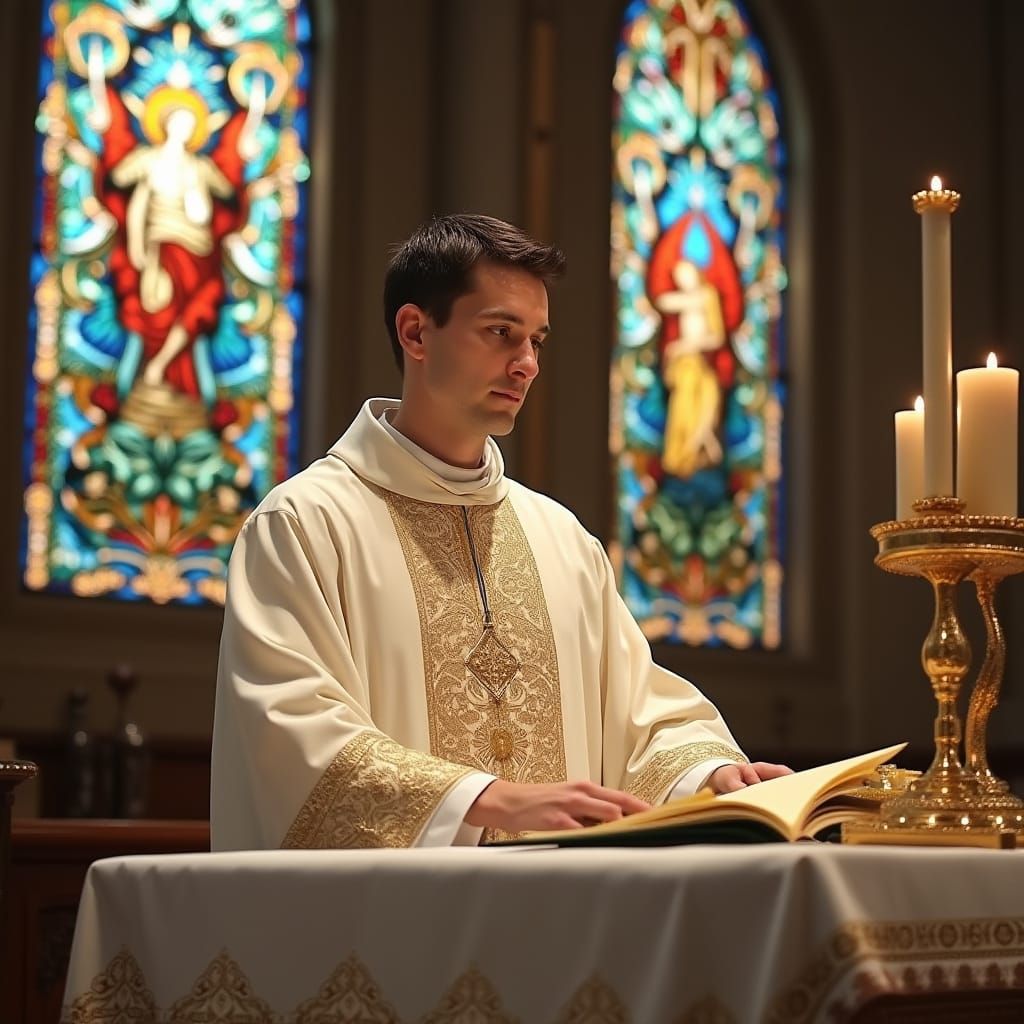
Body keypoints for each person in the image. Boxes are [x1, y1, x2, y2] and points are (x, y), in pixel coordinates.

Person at [210, 214, 789, 850]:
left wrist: (707, 776)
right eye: (500, 333)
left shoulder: (562, 541)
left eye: (537, 340)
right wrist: (490, 801)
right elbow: (289, 731)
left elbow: (641, 716)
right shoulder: (306, 524)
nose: (527, 365)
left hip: (563, 917)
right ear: (416, 332)